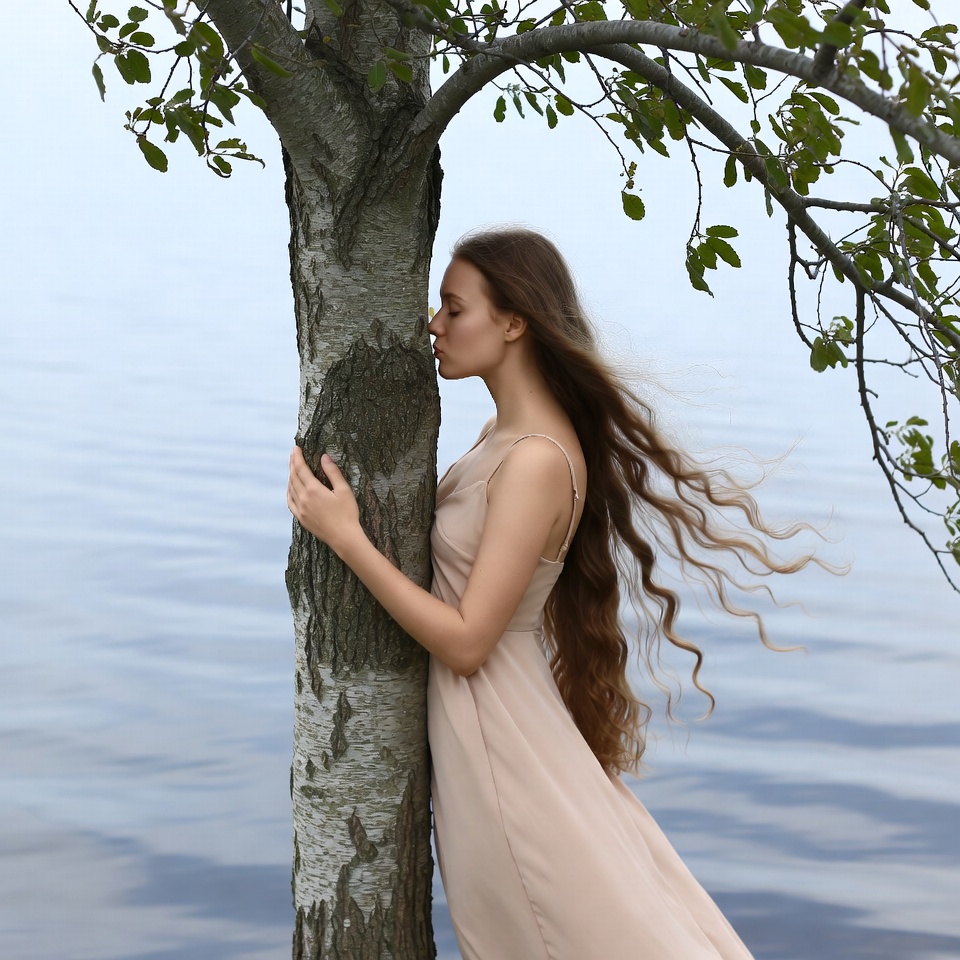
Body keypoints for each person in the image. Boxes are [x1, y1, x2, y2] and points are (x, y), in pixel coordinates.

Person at [287, 227, 814, 959]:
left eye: (452, 308)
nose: (432, 326)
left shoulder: (534, 459)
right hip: (499, 729)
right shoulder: (502, 437)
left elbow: (470, 642)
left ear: (512, 322)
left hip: (502, 744)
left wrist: (347, 539)